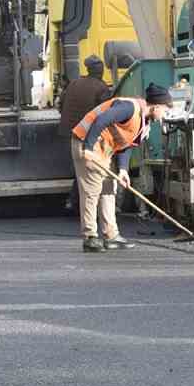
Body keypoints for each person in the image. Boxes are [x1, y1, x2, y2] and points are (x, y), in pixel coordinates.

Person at [69, 83, 173, 253]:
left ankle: (111, 236)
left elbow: (126, 143)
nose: (164, 116)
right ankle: (90, 237)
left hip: (104, 148)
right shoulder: (129, 108)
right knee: (92, 190)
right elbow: (101, 119)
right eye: (165, 111)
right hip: (86, 142)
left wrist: (123, 170)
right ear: (156, 106)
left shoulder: (144, 122)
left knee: (109, 189)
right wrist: (87, 148)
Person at [57, 56, 114, 211]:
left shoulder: (74, 83)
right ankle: (77, 202)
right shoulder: (101, 88)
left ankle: (73, 201)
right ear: (100, 71)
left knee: (78, 168)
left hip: (69, 131)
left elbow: (60, 104)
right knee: (88, 170)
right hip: (87, 133)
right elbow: (106, 113)